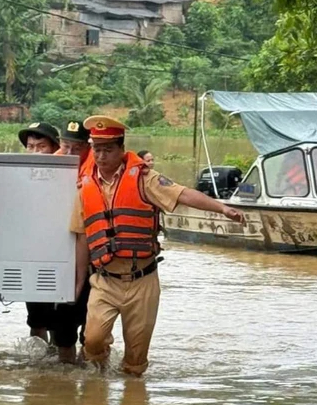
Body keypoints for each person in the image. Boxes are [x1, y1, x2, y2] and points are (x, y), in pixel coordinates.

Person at [71, 116, 245, 376]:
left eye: (108, 149)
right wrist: (77, 281)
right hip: (105, 280)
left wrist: (222, 208)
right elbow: (82, 236)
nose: (101, 156)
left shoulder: (145, 179)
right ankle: (97, 387)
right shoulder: (85, 186)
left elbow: (183, 193)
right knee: (93, 341)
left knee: (136, 359)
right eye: (97, 149)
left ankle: (133, 391)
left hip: (142, 279)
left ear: (121, 149)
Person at [51, 121, 93, 363]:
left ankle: (93, 387)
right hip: (62, 262)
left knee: (93, 334)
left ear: (88, 149)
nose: (68, 154)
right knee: (63, 334)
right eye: (65, 146)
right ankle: (64, 385)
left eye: (76, 149)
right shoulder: (50, 169)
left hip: (94, 265)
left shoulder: (98, 173)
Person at [18, 122, 61, 342]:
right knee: (36, 319)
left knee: (64, 324)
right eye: (30, 146)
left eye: (40, 146)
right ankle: (40, 370)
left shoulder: (72, 178)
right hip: (34, 258)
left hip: (64, 257)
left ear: (56, 148)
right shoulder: (19, 181)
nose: (34, 152)